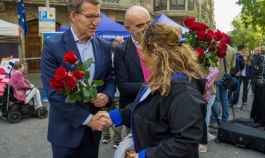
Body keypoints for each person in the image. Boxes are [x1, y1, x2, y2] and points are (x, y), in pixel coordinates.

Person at [101, 23, 206, 158]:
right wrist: (115, 117)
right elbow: (144, 108)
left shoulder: (183, 90)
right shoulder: (161, 77)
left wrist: (145, 155)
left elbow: (185, 142)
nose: (141, 56)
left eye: (142, 50)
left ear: (156, 52)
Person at [40, 0, 115, 157]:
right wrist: (88, 120)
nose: (96, 22)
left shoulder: (104, 45)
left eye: (98, 16)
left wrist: (106, 96)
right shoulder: (53, 46)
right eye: (90, 16)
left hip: (93, 135)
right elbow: (53, 93)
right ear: (73, 16)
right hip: (65, 133)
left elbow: (110, 77)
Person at [112, 5, 151, 149]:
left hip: (161, 116)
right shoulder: (121, 50)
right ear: (128, 28)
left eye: (149, 22)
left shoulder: (160, 46)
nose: (147, 27)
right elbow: (123, 87)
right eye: (141, 25)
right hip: (135, 115)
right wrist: (153, 86)